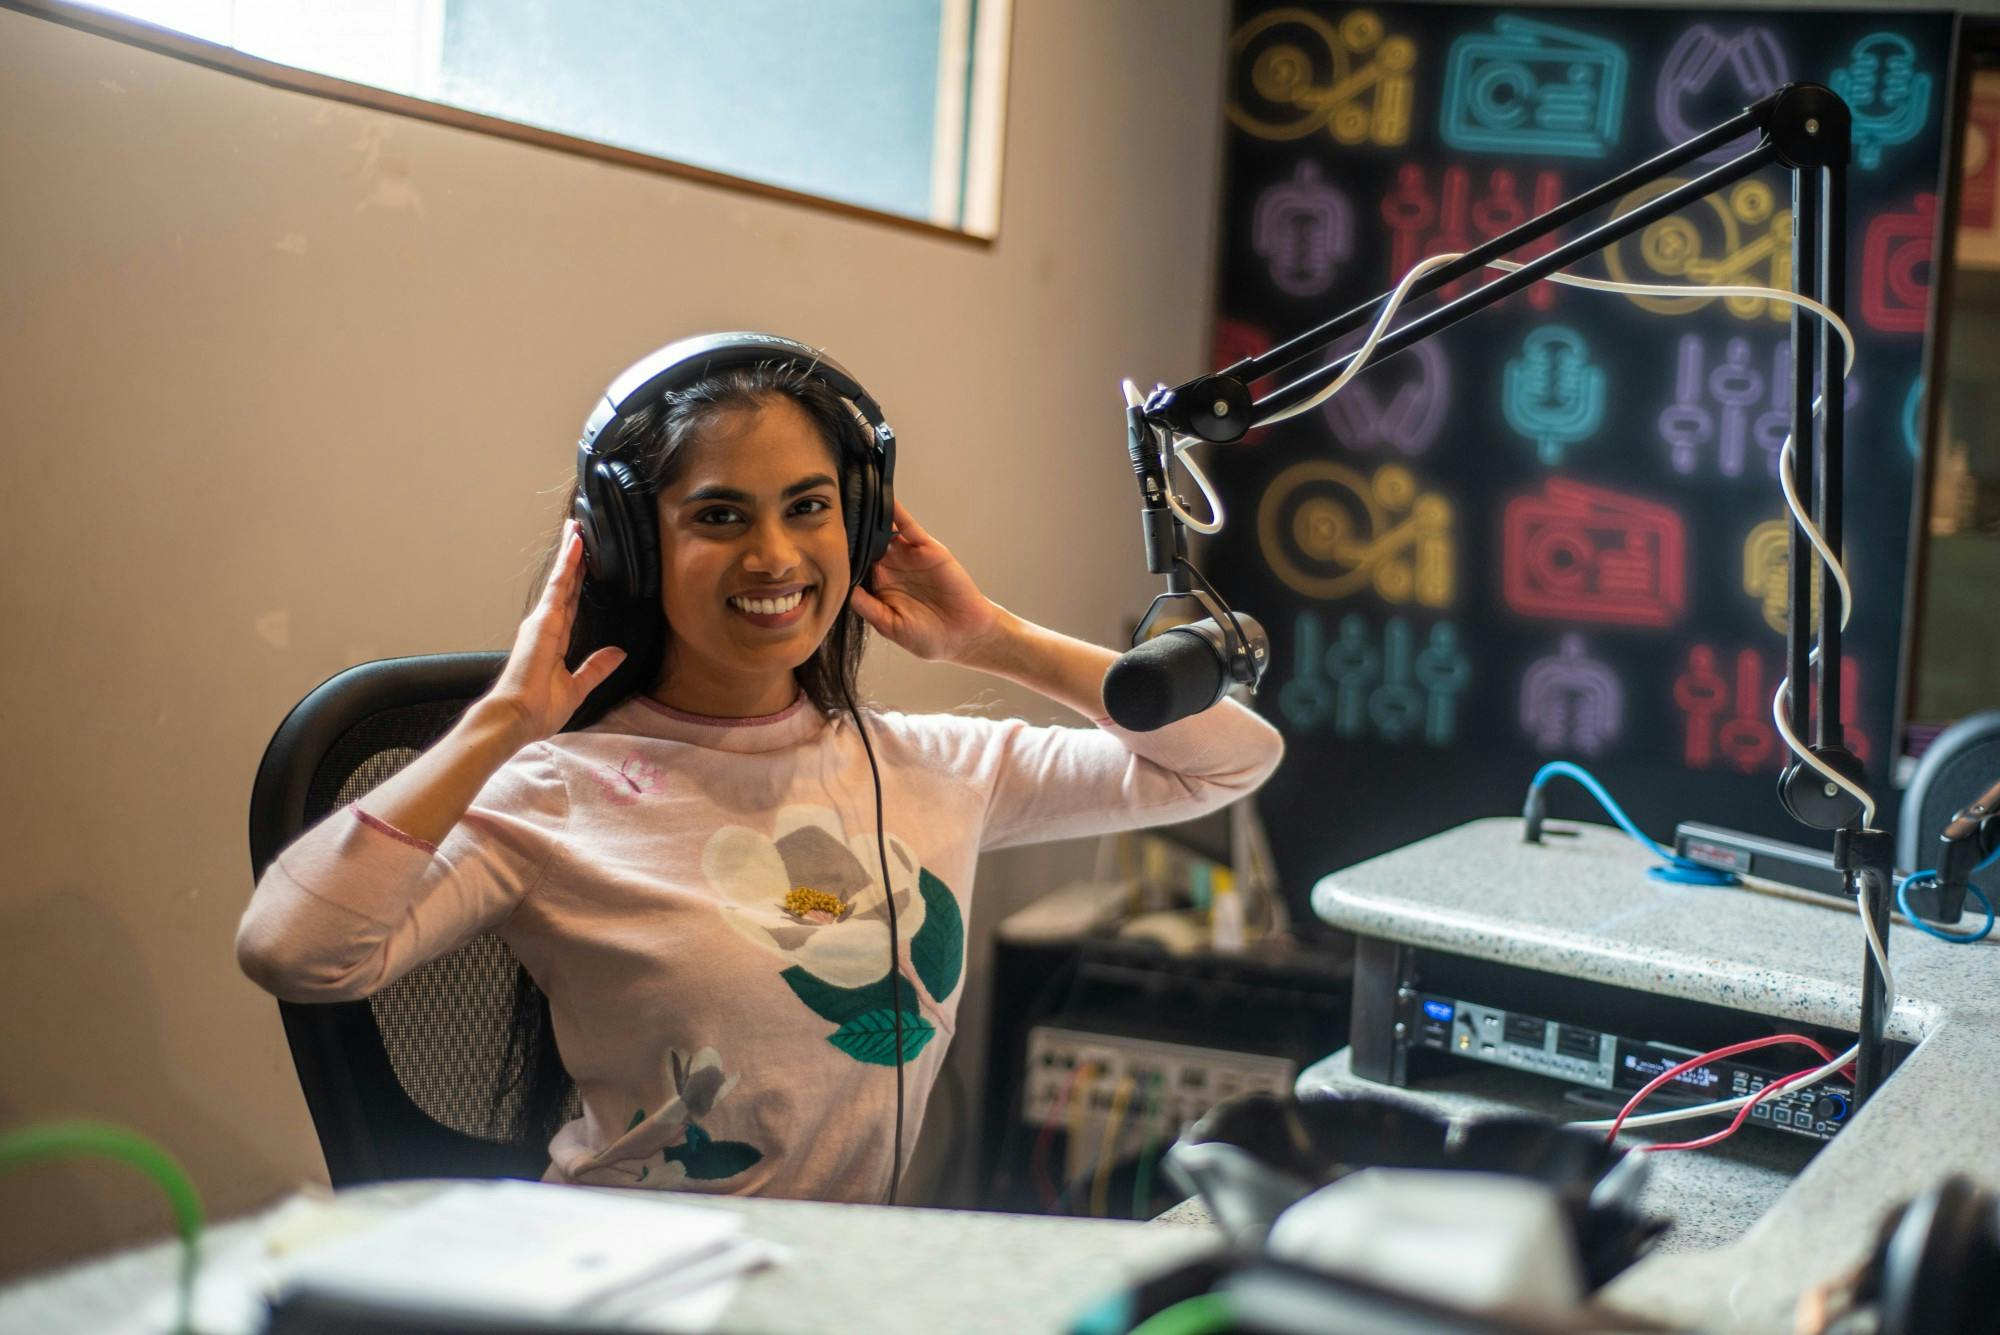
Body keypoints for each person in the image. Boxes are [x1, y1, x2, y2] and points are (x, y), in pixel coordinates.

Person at [237, 347, 1284, 1205]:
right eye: (719, 516)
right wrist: (496, 729)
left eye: (809, 506)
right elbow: (295, 951)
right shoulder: (551, 794)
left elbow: (1228, 760)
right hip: (628, 1293)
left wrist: (990, 638)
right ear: (630, 549)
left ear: (859, 522)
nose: (776, 556)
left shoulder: (928, 766)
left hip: (828, 1295)